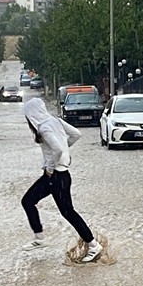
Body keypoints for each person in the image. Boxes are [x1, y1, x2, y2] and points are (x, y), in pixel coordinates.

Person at [20, 97, 103, 263]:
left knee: (66, 212)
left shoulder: (44, 128)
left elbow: (57, 148)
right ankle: (40, 237)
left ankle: (93, 245)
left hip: (55, 176)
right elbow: (76, 134)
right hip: (60, 175)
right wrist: (65, 152)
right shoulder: (55, 121)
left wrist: (50, 166)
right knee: (30, 201)